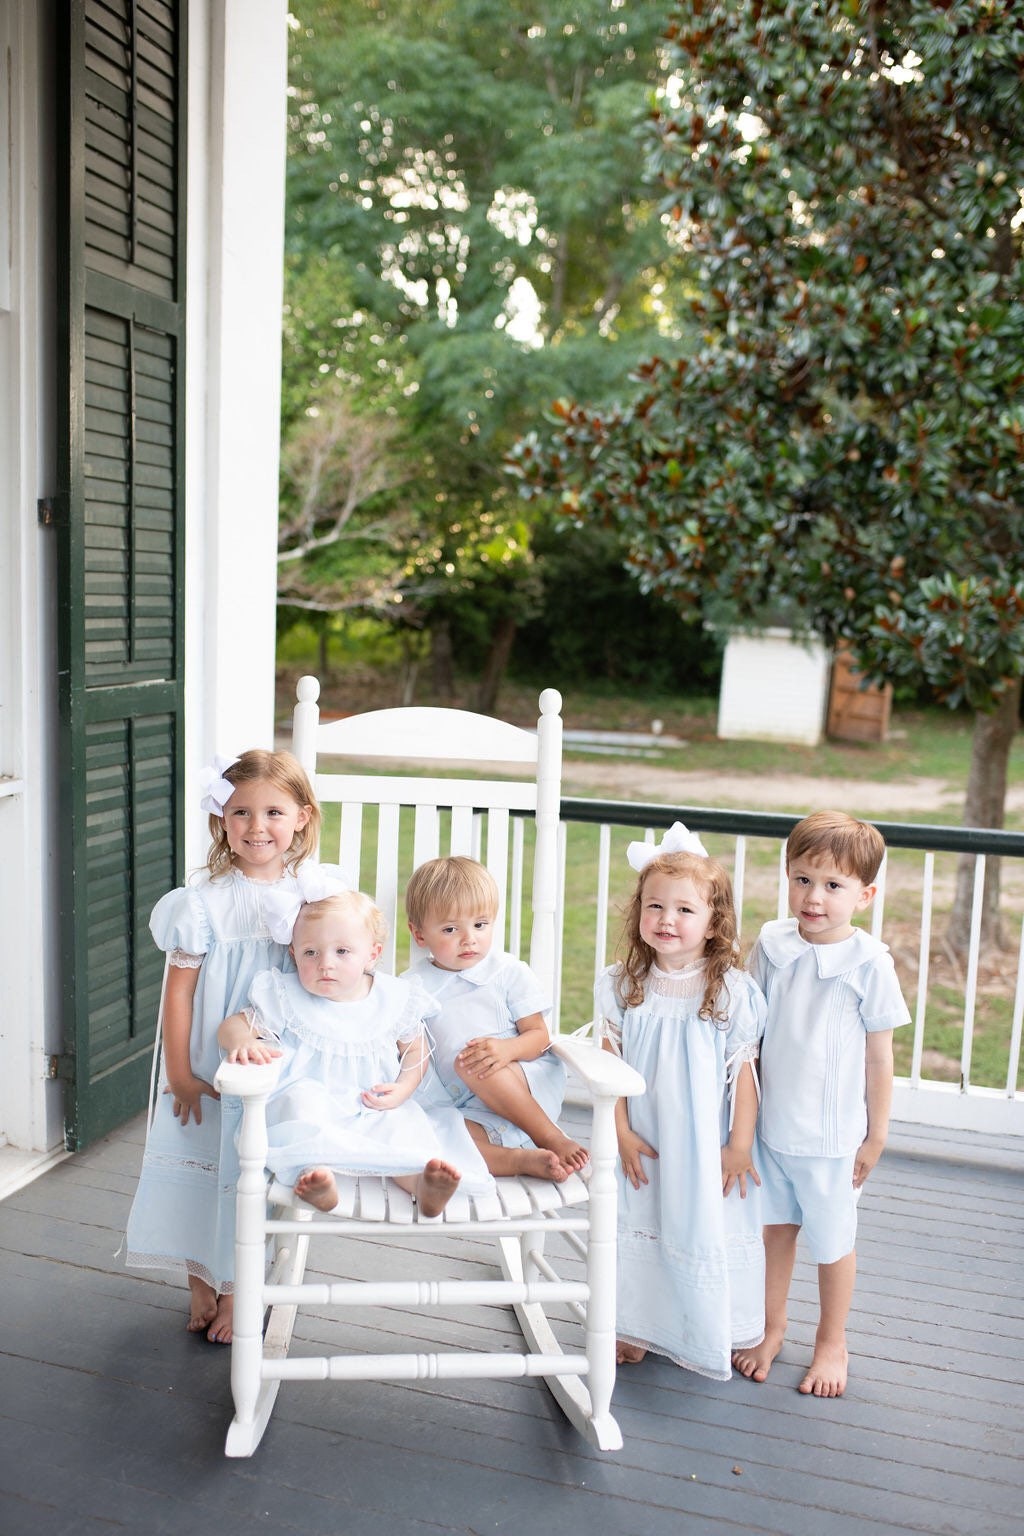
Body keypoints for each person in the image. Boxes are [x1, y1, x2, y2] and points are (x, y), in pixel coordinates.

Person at [124, 749, 335, 1343]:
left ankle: (242, 1288)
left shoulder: (311, 894)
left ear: (302, 817)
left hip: (274, 1054)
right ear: (221, 820)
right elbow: (180, 993)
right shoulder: (202, 902)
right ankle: (200, 1278)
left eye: (273, 811)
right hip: (205, 1060)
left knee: (253, 1166)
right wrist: (182, 1072)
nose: (257, 826)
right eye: (240, 812)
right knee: (200, 1164)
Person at [732, 810, 910, 1398]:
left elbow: (879, 1057)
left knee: (832, 1241)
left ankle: (832, 1339)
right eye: (803, 879)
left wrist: (876, 1133)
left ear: (864, 894)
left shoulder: (869, 963)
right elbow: (748, 1029)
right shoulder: (774, 942)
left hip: (832, 1137)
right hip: (770, 1127)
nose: (814, 897)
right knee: (774, 1230)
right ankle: (770, 1327)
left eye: (833, 886)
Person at [597, 823, 766, 1379]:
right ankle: (638, 1326)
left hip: (701, 1141)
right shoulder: (624, 984)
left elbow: (743, 1074)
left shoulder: (728, 990)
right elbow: (608, 1063)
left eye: (684, 911)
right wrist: (618, 1131)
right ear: (638, 913)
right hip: (643, 1133)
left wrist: (739, 1146)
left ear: (714, 923)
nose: (666, 920)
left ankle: (700, 1326)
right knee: (642, 1216)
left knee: (695, 1223)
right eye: (654, 906)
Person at [218, 890, 493, 1216]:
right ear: (293, 954)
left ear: (371, 954)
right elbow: (233, 1025)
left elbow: (416, 1050)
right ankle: (317, 1181)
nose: (325, 964)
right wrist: (243, 1041)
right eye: (310, 953)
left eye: (342, 951)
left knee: (401, 1129)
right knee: (299, 1108)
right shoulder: (285, 994)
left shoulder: (392, 998)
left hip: (373, 1103)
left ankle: (423, 1186)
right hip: (316, 1101)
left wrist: (403, 1089)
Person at [403, 855, 587, 1182]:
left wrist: (505, 1050)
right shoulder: (411, 988)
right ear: (419, 935)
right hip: (470, 1109)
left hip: (523, 1085)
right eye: (450, 929)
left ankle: (550, 1137)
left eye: (480, 925)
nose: (469, 938)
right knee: (432, 1141)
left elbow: (538, 1036)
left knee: (471, 1061)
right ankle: (520, 1160)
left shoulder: (507, 973)